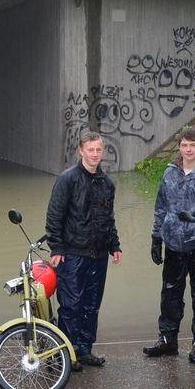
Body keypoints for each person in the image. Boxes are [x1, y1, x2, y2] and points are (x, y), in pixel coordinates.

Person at [143, 128, 195, 362]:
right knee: (170, 294)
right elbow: (161, 207)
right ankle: (167, 340)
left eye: (193, 145)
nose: (188, 150)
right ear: (179, 147)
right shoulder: (170, 173)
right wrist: (156, 238)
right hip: (173, 244)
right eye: (184, 145)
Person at [45, 131, 123, 370]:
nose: (95, 154)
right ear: (81, 151)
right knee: (71, 305)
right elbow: (54, 215)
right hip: (72, 254)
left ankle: (85, 350)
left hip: (98, 255)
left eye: (99, 150)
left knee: (92, 304)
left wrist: (114, 245)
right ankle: (66, 353)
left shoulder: (107, 183)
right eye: (91, 150)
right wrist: (56, 247)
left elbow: (108, 218)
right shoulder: (67, 179)